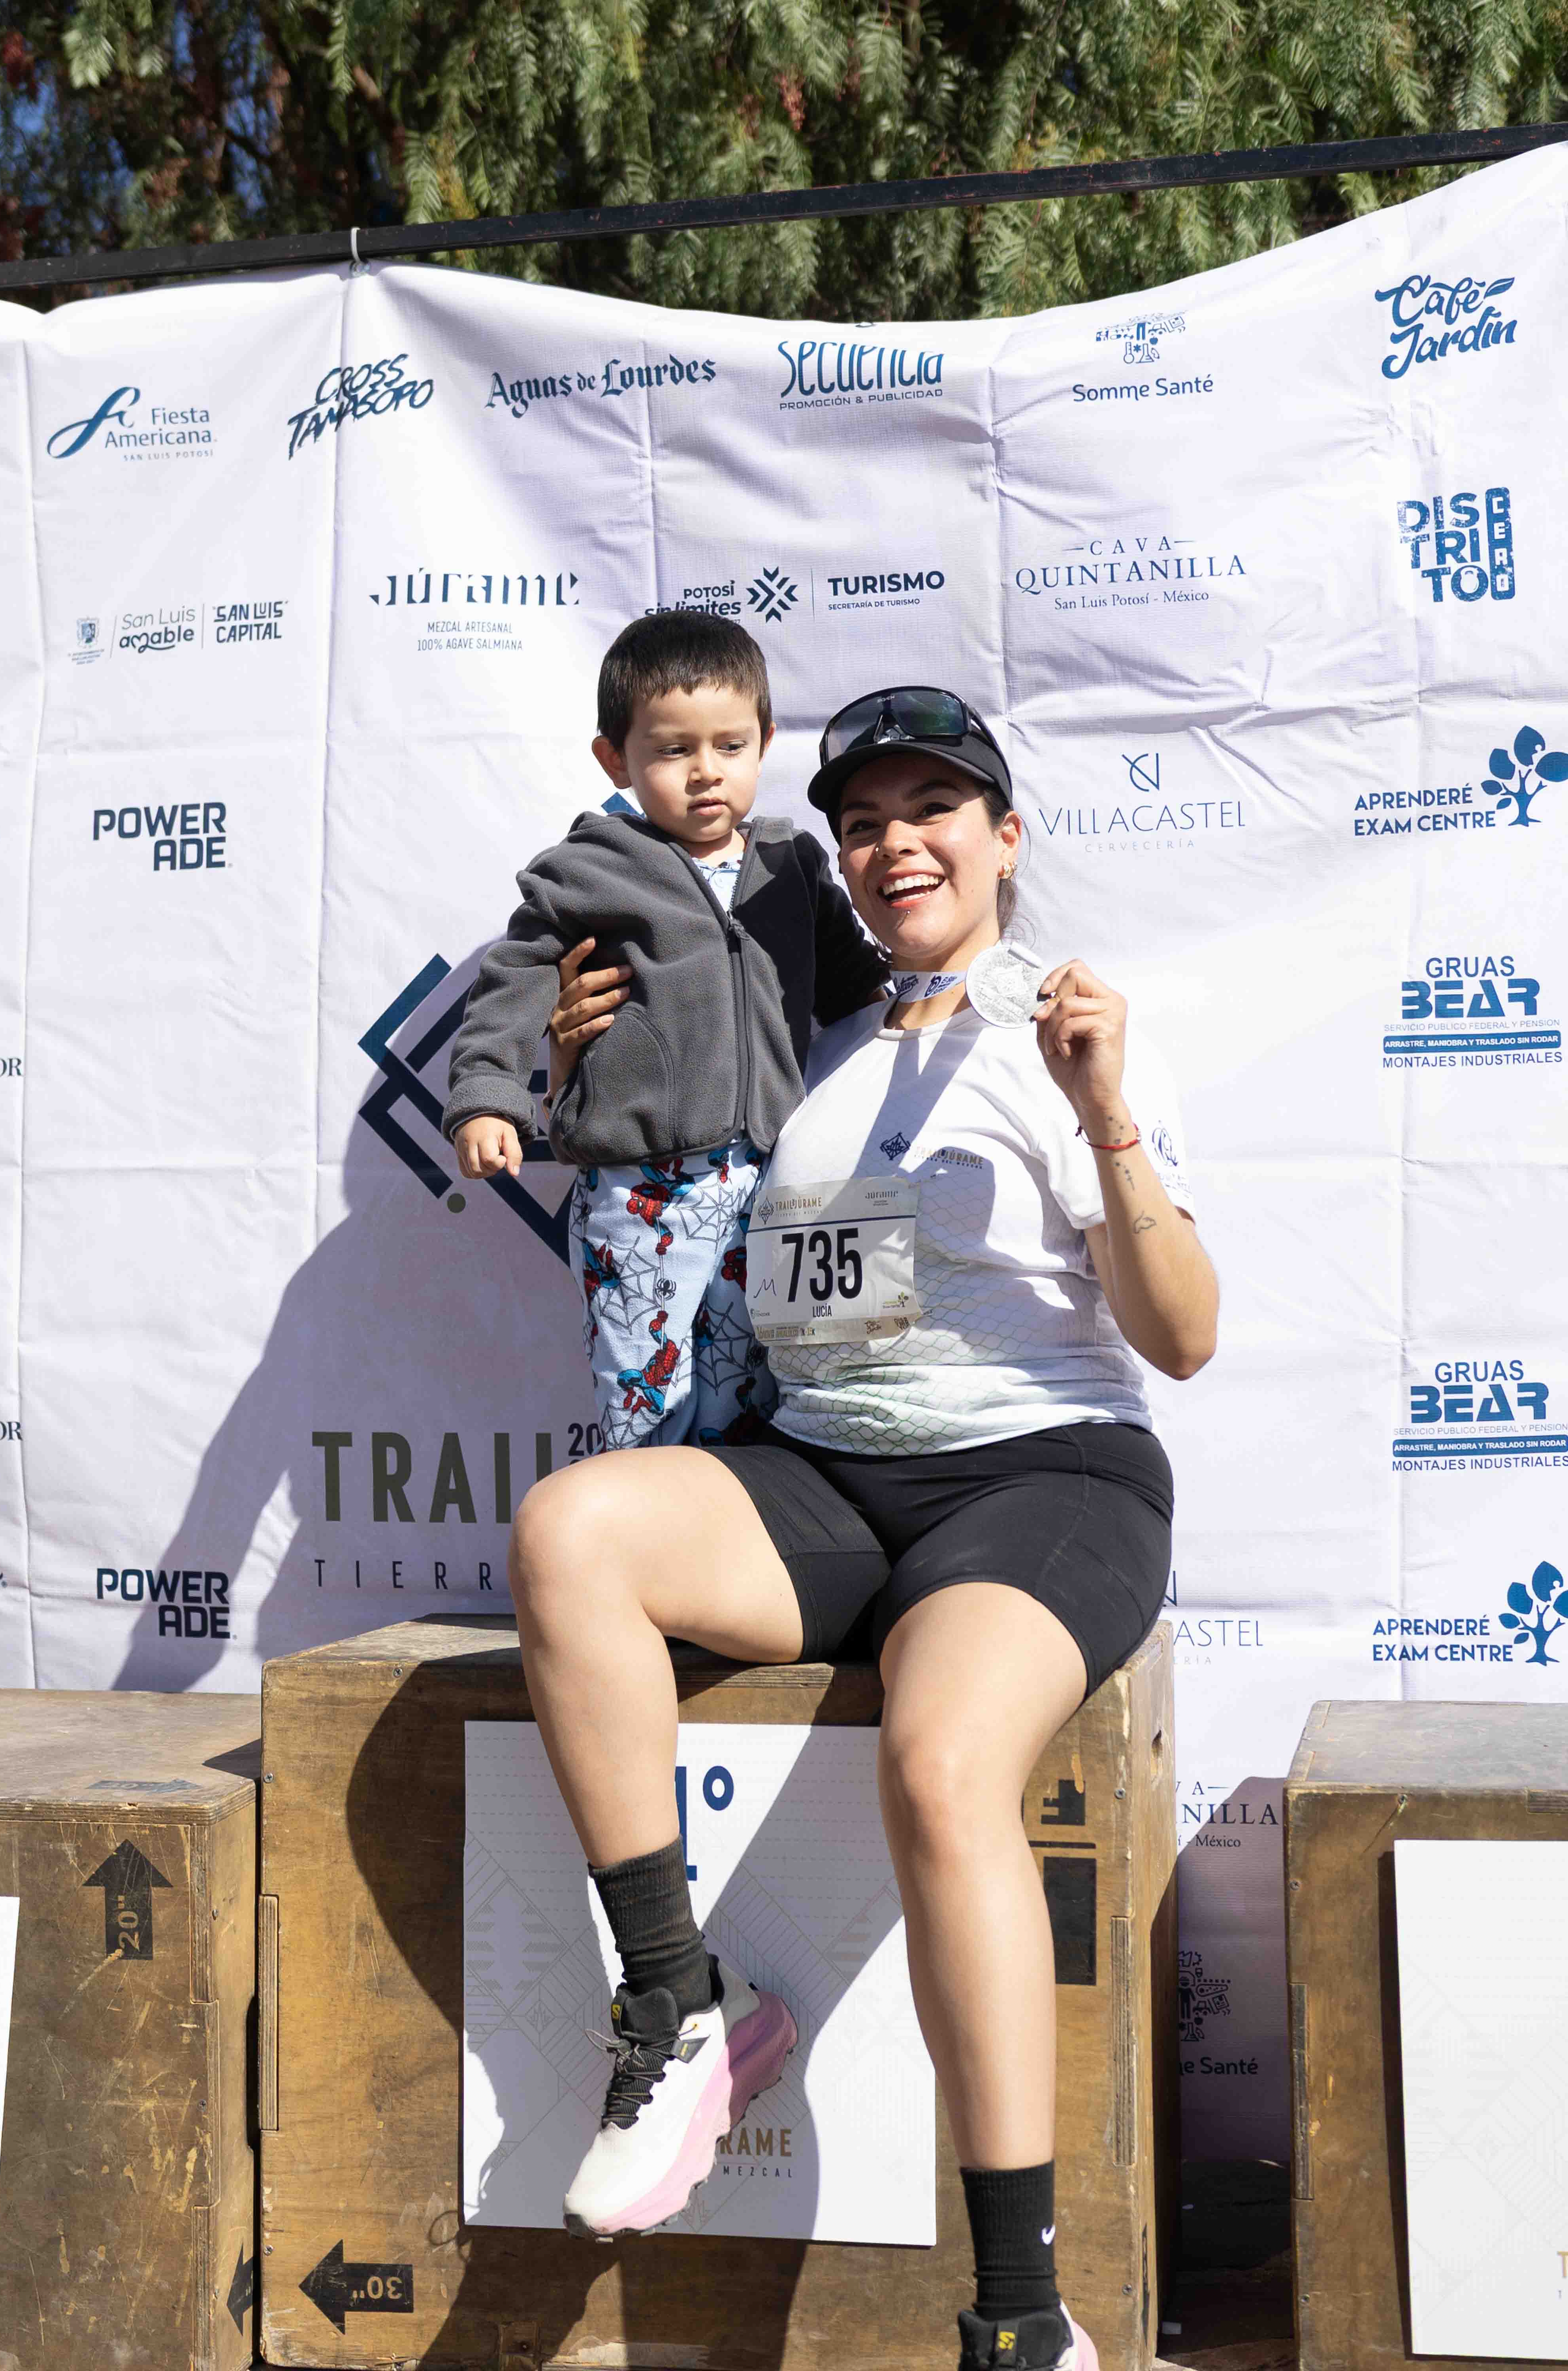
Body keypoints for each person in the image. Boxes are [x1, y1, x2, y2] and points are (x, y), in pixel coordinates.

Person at [513, 685, 1219, 2371]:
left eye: (933, 809)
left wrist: (1108, 1115)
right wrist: (571, 1055)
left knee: (939, 1760)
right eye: (863, 821)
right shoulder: (813, 1034)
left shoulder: (1069, 1033)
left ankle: (1020, 2316)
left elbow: (1184, 1335)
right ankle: (678, 2003)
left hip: (1041, 1482)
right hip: (826, 1475)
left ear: (1004, 837)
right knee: (570, 1532)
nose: (896, 843)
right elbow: (648, 1144)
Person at [443, 613, 887, 1449]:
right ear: (617, 760)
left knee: (768, 1392)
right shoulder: (589, 869)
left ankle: (755, 1526)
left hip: (778, 1183)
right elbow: (516, 978)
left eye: (730, 745)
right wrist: (489, 1095)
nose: (705, 771)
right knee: (651, 1408)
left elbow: (859, 987)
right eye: (673, 750)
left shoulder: (792, 864)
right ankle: (654, 1523)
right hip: (641, 1194)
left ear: (765, 743)